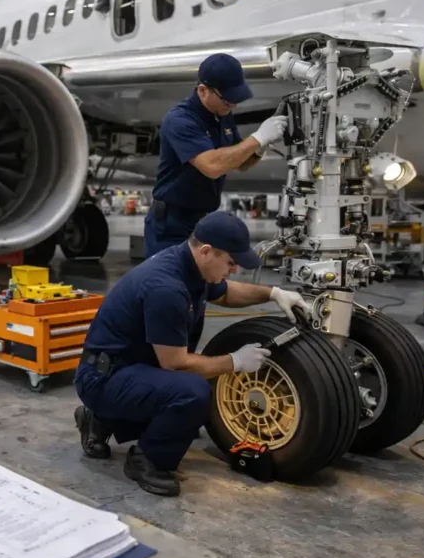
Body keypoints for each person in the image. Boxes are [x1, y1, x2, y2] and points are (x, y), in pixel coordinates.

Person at [73, 211, 306, 496]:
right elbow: (176, 365)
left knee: (187, 397)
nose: (234, 270)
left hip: (128, 367)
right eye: (231, 263)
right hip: (103, 378)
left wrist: (273, 293)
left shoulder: (190, 265)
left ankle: (99, 419)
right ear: (207, 251)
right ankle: (147, 459)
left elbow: (225, 293)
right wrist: (234, 362)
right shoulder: (166, 288)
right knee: (191, 392)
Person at [145, 53, 288, 259]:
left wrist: (261, 146)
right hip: (172, 222)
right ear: (203, 91)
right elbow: (212, 166)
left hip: (203, 218)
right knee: (171, 281)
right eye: (228, 101)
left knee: (203, 284)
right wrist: (257, 137)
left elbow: (240, 162)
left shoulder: (221, 114)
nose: (233, 106)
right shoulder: (180, 120)